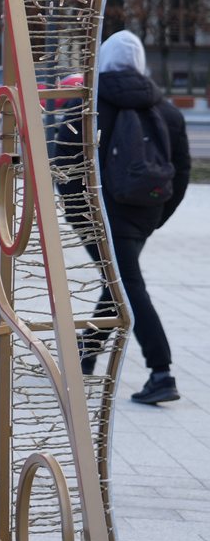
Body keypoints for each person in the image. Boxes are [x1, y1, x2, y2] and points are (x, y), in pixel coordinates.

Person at [66, 31, 190, 403]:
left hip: (102, 215)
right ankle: (88, 351)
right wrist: (157, 217)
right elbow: (181, 171)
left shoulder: (87, 109)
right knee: (117, 279)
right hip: (144, 213)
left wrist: (81, 218)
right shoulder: (166, 110)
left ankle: (161, 371)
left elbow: (64, 167)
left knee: (127, 285)